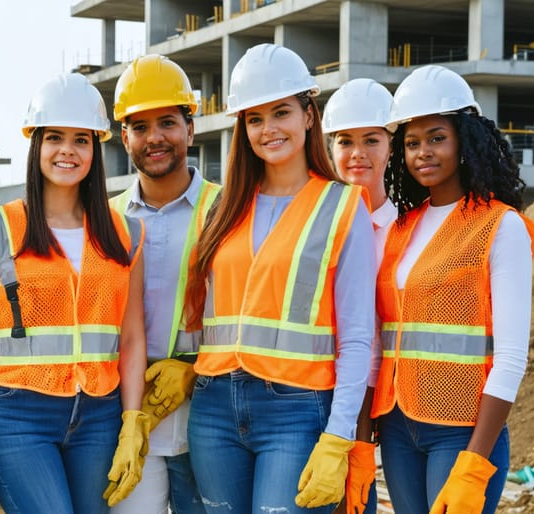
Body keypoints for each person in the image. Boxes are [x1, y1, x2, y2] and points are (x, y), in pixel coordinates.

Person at [184, 43, 375, 513]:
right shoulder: (220, 208)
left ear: (309, 116)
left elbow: (356, 337)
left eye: (281, 112)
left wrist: (339, 436)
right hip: (213, 407)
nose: (268, 129)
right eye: (254, 118)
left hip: (297, 410)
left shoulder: (342, 206)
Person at [0, 72, 148, 514]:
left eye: (81, 140)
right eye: (55, 137)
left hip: (99, 415)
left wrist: (133, 419)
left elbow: (132, 337)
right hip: (18, 416)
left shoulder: (125, 234)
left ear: (95, 149)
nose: (67, 151)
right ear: (35, 145)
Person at [374, 64, 534, 514]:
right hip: (397, 425)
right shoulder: (401, 228)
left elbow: (510, 357)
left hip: (461, 431)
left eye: (436, 137)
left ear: (465, 140)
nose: (423, 152)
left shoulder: (500, 227)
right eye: (411, 143)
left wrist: (474, 462)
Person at [108, 54, 218, 514]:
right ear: (124, 138)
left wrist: (196, 368)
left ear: (190, 130)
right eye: (140, 126)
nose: (154, 138)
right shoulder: (106, 218)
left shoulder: (227, 209)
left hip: (210, 414)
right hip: (130, 415)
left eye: (167, 123)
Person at [321, 78, 395, 514]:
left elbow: (372, 344)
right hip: (302, 399)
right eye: (345, 141)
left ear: (391, 146)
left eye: (372, 140)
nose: (357, 154)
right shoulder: (313, 224)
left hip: (367, 412)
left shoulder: (403, 232)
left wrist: (361, 439)